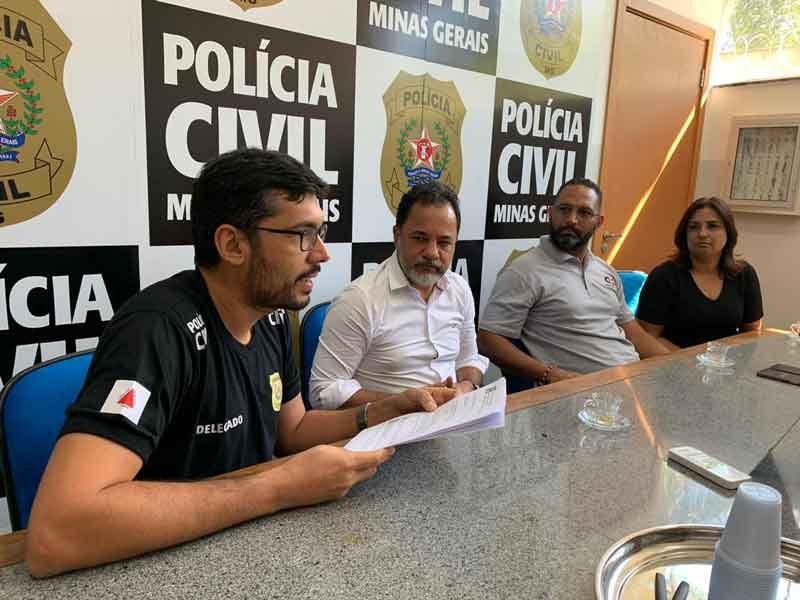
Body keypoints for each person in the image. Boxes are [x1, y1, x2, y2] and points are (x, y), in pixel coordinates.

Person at [25, 149, 454, 577]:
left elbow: (293, 430)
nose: (322, 254)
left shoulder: (272, 316)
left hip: (252, 552)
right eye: (303, 235)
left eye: (320, 233)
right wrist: (278, 488)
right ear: (233, 244)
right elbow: (56, 533)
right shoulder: (155, 330)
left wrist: (379, 412)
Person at [310, 181, 488, 410]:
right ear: (397, 235)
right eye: (420, 238)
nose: (432, 253)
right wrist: (400, 404)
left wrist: (466, 387)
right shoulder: (359, 300)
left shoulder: (459, 290)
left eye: (444, 242)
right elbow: (323, 391)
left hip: (452, 420)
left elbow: (469, 360)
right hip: (385, 426)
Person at [478, 178, 669, 386]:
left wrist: (675, 363)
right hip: (582, 392)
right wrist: (551, 374)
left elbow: (634, 333)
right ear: (550, 213)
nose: (571, 220)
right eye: (564, 209)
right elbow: (488, 340)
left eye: (584, 213)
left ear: (599, 222)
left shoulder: (606, 271)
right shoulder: (524, 271)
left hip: (632, 380)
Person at [636, 197, 763, 349]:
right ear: (684, 234)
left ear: (728, 232)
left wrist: (726, 360)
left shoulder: (744, 274)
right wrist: (692, 360)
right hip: (674, 359)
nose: (702, 233)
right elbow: (649, 337)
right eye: (693, 227)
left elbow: (752, 333)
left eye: (712, 226)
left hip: (726, 360)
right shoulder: (664, 276)